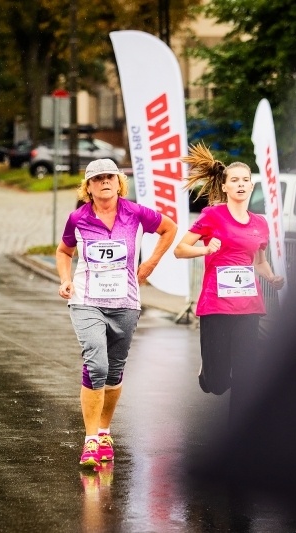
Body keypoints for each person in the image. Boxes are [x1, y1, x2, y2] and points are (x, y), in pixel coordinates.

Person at [56, 158, 177, 468]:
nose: (104, 182)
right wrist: (66, 279)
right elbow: (63, 251)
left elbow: (169, 228)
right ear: (88, 187)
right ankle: (91, 441)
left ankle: (105, 431)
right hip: (87, 300)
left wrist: (149, 264)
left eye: (109, 176)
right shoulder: (77, 218)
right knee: (96, 362)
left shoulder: (134, 213)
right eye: (97, 179)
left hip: (125, 301)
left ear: (119, 182)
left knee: (114, 371)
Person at [173, 143, 284, 417]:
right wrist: (205, 249)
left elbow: (259, 261)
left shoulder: (260, 222)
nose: (241, 185)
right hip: (216, 306)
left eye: (246, 180)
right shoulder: (213, 215)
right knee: (219, 383)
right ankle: (209, 371)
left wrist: (272, 277)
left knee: (246, 376)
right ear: (224, 187)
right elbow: (180, 249)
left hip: (249, 307)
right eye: (234, 180)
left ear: (251, 185)